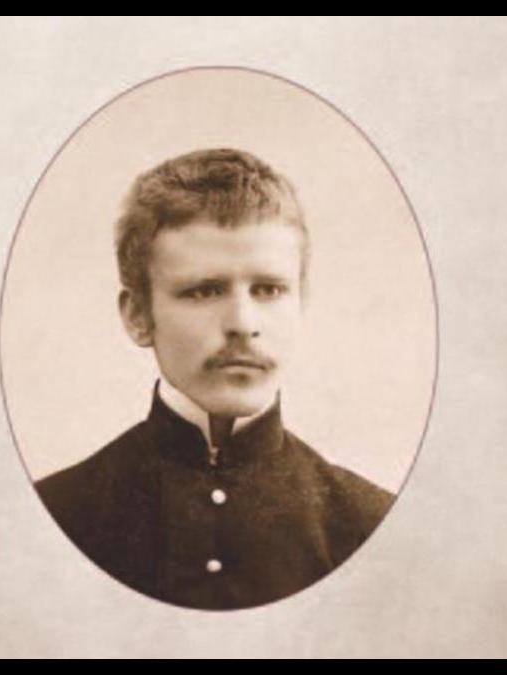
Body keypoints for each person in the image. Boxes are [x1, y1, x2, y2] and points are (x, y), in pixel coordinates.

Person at [35, 148, 394, 610]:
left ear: (300, 303)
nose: (243, 323)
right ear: (138, 315)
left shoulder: (372, 527)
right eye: (204, 291)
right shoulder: (55, 517)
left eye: (269, 289)